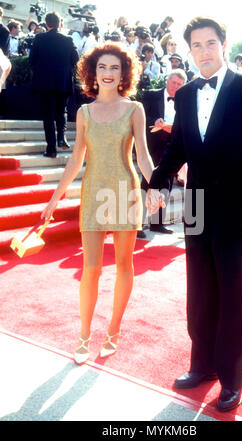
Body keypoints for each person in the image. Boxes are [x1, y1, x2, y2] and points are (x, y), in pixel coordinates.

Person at [147, 16, 242, 412]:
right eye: (196, 46)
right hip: (198, 205)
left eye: (210, 44)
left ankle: (231, 377)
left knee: (232, 292)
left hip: (238, 208)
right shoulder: (187, 94)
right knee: (200, 289)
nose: (204, 52)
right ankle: (202, 364)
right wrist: (157, 182)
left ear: (223, 44)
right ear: (189, 51)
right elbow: (179, 147)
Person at [41, 42, 155, 365]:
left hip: (124, 192)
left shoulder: (135, 109)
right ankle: (84, 334)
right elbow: (76, 159)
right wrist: (54, 198)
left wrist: (158, 184)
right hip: (92, 193)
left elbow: (143, 156)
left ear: (124, 74)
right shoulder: (83, 112)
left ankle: (114, 329)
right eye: (102, 67)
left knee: (123, 265)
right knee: (90, 269)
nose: (107, 73)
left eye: (114, 68)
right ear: (93, 72)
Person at [140, 69, 186, 237]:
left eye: (180, 84)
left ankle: (157, 224)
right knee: (147, 182)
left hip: (172, 147)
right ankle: (138, 224)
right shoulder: (151, 95)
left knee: (166, 184)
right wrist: (155, 121)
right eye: (174, 83)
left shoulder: (185, 99)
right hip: (152, 146)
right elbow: (142, 115)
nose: (176, 86)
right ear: (167, 81)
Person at [29, 12, 79, 158]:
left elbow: (31, 60)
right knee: (61, 111)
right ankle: (61, 138)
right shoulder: (68, 39)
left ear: (47, 24)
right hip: (63, 82)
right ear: (59, 24)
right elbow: (76, 59)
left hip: (45, 82)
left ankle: (51, 149)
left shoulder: (39, 38)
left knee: (48, 116)